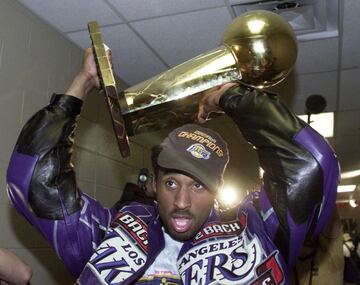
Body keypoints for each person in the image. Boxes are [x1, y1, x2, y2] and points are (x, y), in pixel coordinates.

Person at [6, 47, 340, 284]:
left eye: (198, 185)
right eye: (171, 183)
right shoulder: (112, 232)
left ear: (216, 190)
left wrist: (225, 97)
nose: (182, 201)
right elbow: (33, 180)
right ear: (152, 184)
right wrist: (81, 84)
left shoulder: (259, 233)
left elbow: (311, 164)